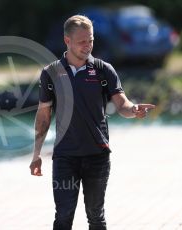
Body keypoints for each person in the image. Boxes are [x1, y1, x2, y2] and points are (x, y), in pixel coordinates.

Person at [29, 15, 155, 230]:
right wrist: (36, 154)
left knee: (96, 216)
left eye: (91, 40)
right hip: (65, 157)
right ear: (67, 41)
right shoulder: (51, 73)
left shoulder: (103, 70)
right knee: (63, 216)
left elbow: (122, 104)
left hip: (97, 156)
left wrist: (133, 110)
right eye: (82, 42)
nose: (88, 46)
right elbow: (43, 116)